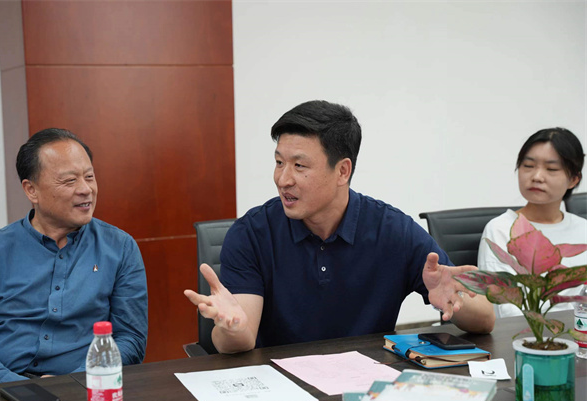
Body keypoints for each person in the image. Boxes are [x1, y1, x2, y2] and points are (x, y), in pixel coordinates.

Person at [184, 100, 495, 354]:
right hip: (281, 392)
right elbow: (238, 339)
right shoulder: (252, 233)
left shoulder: (393, 230)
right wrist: (231, 329)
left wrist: (456, 300)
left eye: (299, 165)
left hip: (368, 388)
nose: (282, 179)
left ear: (343, 171)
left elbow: (485, 320)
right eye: (279, 162)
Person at [0, 128, 148, 386]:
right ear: (31, 190)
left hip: (85, 388)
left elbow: (131, 339)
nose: (86, 189)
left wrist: (76, 381)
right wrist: (21, 387)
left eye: (89, 177)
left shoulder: (120, 248)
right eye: (69, 181)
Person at [478, 127, 586, 318]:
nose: (537, 177)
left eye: (551, 169)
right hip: (526, 333)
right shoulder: (500, 229)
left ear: (574, 179)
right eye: (528, 166)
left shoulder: (583, 229)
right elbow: (506, 309)